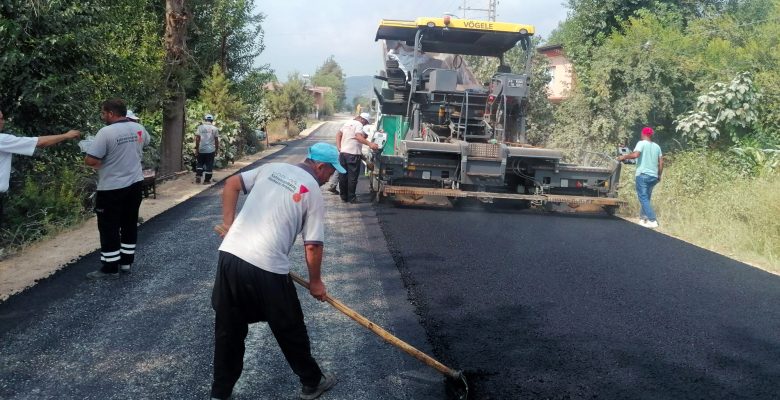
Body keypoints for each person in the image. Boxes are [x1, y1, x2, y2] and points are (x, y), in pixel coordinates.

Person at [210, 142, 346, 400]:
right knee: (289, 326)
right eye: (331, 171)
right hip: (268, 266)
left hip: (230, 256)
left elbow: (231, 185)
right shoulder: (313, 193)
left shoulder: (271, 169)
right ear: (320, 167)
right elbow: (313, 245)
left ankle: (220, 393)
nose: (331, 177)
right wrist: (316, 282)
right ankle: (312, 381)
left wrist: (230, 224)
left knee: (229, 328)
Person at [84, 98, 150, 279]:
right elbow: (145, 143)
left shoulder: (106, 132)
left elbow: (91, 160)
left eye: (103, 113)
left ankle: (110, 267)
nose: (102, 116)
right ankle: (126, 263)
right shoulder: (139, 128)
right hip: (135, 183)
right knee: (129, 223)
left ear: (111, 113)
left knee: (109, 226)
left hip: (112, 187)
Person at [0, 109, 80, 224]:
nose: (4, 121)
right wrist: (66, 135)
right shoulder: (2, 139)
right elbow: (39, 142)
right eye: (1, 119)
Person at [617, 126, 663, 228]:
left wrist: (623, 157)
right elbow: (661, 162)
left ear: (643, 134)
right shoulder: (657, 147)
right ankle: (643, 219)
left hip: (642, 175)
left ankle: (653, 220)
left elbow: (636, 155)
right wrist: (659, 175)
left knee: (643, 198)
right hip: (653, 176)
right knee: (646, 197)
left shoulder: (641, 143)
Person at [336, 112, 379, 203]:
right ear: (362, 119)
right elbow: (358, 137)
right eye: (366, 122)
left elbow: (338, 134)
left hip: (343, 153)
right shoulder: (359, 124)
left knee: (342, 175)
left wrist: (339, 147)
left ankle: (343, 196)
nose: (365, 124)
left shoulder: (347, 123)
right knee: (352, 177)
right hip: (353, 155)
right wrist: (370, 144)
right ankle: (351, 198)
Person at [196, 114, 220, 184]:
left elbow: (197, 139)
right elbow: (216, 140)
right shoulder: (215, 129)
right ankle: (206, 181)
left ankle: (198, 175)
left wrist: (197, 148)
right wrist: (216, 149)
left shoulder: (200, 127)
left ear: (205, 120)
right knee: (209, 165)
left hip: (201, 149)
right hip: (210, 150)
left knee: (200, 163)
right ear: (212, 120)